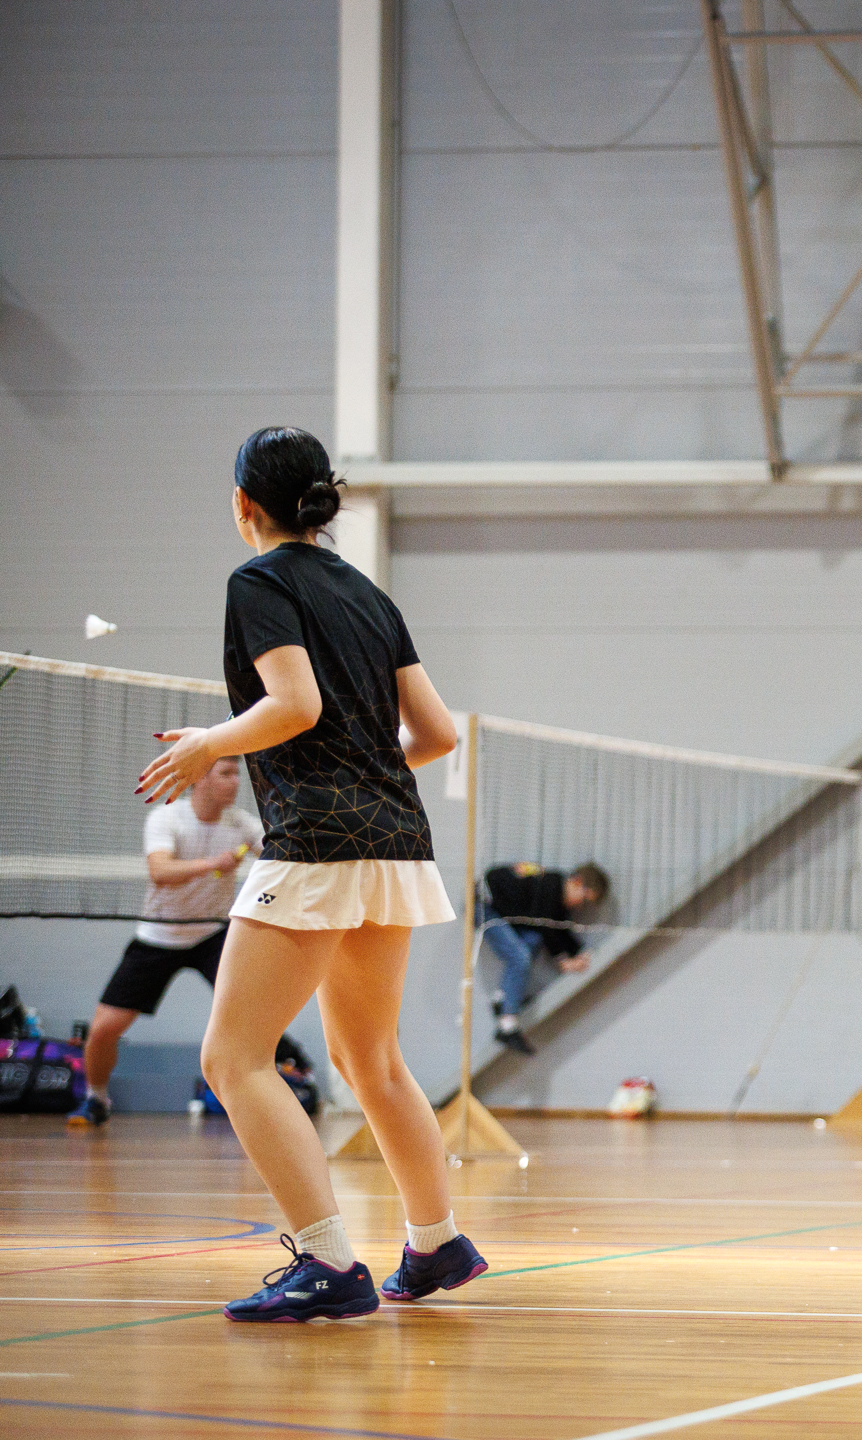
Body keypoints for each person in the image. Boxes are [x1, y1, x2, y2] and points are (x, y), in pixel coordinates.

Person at [138, 426, 486, 1322]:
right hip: (396, 839)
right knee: (371, 1060)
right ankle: (437, 1241)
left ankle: (327, 1261)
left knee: (232, 1057)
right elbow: (438, 735)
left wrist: (209, 743)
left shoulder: (258, 581)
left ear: (243, 504)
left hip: (318, 842)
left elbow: (295, 705)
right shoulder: (369, 594)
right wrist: (366, 774)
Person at [69, 757, 261, 1127]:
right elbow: (160, 871)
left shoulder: (241, 824)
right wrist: (213, 864)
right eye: (225, 774)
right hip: (159, 935)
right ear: (200, 779)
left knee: (254, 1017)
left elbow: (280, 854)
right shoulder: (167, 818)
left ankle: (258, 1100)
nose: (235, 782)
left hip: (213, 934)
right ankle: (96, 1098)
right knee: (103, 1030)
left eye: (237, 774)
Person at [479, 861, 610, 1055]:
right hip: (485, 905)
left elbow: (559, 930)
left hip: (503, 911)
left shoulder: (557, 896)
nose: (581, 907)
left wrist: (580, 952)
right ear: (576, 882)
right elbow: (547, 927)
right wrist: (564, 961)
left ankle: (503, 998)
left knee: (532, 941)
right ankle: (507, 1027)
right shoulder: (552, 885)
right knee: (520, 956)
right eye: (583, 900)